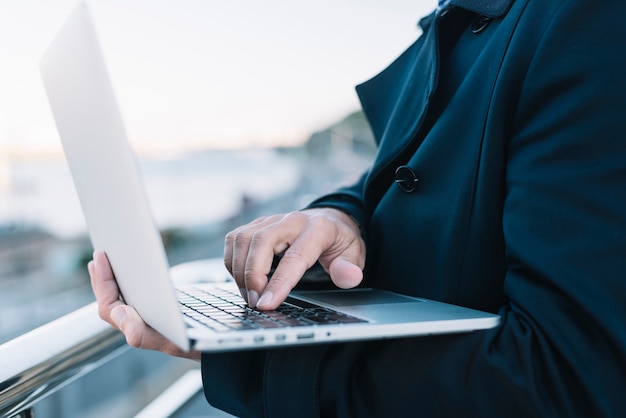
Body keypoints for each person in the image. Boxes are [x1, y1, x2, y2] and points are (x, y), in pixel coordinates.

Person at [89, 0, 626, 416]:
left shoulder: (586, 20)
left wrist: (257, 356)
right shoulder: (462, 22)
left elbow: (567, 382)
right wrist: (336, 215)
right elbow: (395, 176)